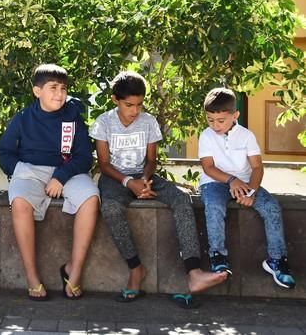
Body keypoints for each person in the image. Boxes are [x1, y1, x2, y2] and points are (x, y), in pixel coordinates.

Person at [90, 71, 227, 307]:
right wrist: (128, 183)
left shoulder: (149, 121)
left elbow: (151, 160)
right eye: (128, 105)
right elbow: (104, 164)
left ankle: (194, 273)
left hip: (145, 176)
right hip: (115, 179)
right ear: (115, 100)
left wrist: (143, 180)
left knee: (182, 199)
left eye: (139, 104)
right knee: (111, 208)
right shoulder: (103, 122)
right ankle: (135, 268)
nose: (135, 110)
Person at [0, 64, 99, 301]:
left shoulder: (72, 117)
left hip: (67, 171)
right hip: (30, 171)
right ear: (37, 91)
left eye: (63, 88)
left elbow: (84, 156)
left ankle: (73, 272)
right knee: (20, 201)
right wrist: (20, 171)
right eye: (53, 88)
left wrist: (60, 177)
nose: (59, 94)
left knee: (91, 198)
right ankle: (32, 278)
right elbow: (4, 152)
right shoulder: (23, 118)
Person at [199, 87, 295, 288]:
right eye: (210, 120)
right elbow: (208, 167)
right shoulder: (206, 136)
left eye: (221, 121)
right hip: (215, 182)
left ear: (235, 115)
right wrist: (231, 180)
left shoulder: (246, 136)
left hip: (245, 182)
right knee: (214, 206)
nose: (215, 125)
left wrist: (251, 190)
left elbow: (257, 167)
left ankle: (277, 260)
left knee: (272, 207)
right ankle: (218, 257)